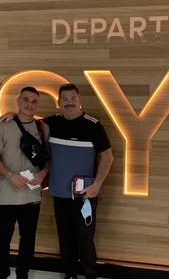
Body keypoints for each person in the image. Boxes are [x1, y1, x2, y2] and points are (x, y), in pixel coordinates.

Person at [45, 84, 114, 279]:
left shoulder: (92, 125)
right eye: (65, 99)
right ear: (59, 102)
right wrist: (10, 115)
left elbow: (107, 157)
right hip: (59, 193)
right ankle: (69, 274)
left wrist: (97, 185)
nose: (69, 102)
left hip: (85, 195)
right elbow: (27, 122)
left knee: (85, 239)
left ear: (79, 100)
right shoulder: (51, 123)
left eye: (73, 98)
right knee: (65, 237)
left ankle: (89, 274)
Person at [0, 86, 49, 279]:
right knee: (2, 240)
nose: (29, 105)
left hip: (32, 195)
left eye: (34, 101)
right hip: (6, 195)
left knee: (28, 239)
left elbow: (48, 159)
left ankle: (23, 274)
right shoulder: (3, 125)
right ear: (18, 101)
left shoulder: (44, 128)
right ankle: (2, 273)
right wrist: (10, 175)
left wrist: (42, 174)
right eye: (26, 100)